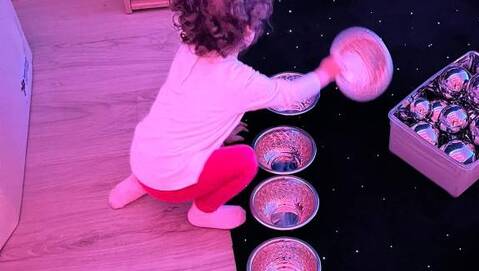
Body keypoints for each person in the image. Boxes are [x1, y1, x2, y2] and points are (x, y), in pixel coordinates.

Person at [109, 0, 340, 229]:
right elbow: (290, 93)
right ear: (247, 30)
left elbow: (196, 107)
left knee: (164, 132)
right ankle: (203, 213)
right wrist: (326, 72)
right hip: (173, 184)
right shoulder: (239, 81)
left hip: (141, 156)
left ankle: (135, 185)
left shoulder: (187, 51)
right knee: (245, 161)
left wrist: (223, 130)